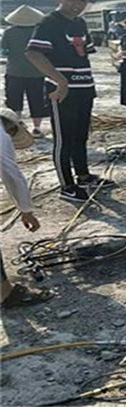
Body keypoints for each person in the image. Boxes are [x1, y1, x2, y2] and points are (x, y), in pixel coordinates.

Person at [25, 0, 115, 204]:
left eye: (82, 1)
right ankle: (67, 185)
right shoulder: (49, 22)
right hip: (62, 91)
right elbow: (33, 53)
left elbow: (84, 53)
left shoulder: (80, 23)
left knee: (80, 136)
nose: (77, 5)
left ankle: (83, 175)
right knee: (63, 140)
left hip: (84, 87)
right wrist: (60, 81)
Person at [0, 108, 52, 308]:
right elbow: (10, 173)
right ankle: (5, 293)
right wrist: (26, 210)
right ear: (12, 127)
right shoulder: (1, 134)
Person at [1, 5, 47, 138]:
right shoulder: (40, 32)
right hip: (37, 72)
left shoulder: (9, 32)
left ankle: (18, 124)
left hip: (14, 72)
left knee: (14, 99)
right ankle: (37, 128)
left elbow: (4, 52)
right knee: (37, 100)